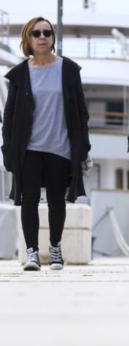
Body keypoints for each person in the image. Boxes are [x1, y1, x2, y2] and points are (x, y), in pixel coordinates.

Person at [2, 17, 89, 271]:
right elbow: (9, 115)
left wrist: (83, 148)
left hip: (60, 147)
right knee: (28, 200)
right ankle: (31, 253)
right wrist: (7, 149)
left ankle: (55, 249)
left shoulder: (68, 69)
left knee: (56, 201)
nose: (42, 37)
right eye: (36, 33)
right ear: (28, 39)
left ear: (52, 38)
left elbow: (81, 112)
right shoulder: (19, 74)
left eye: (47, 33)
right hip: (28, 149)